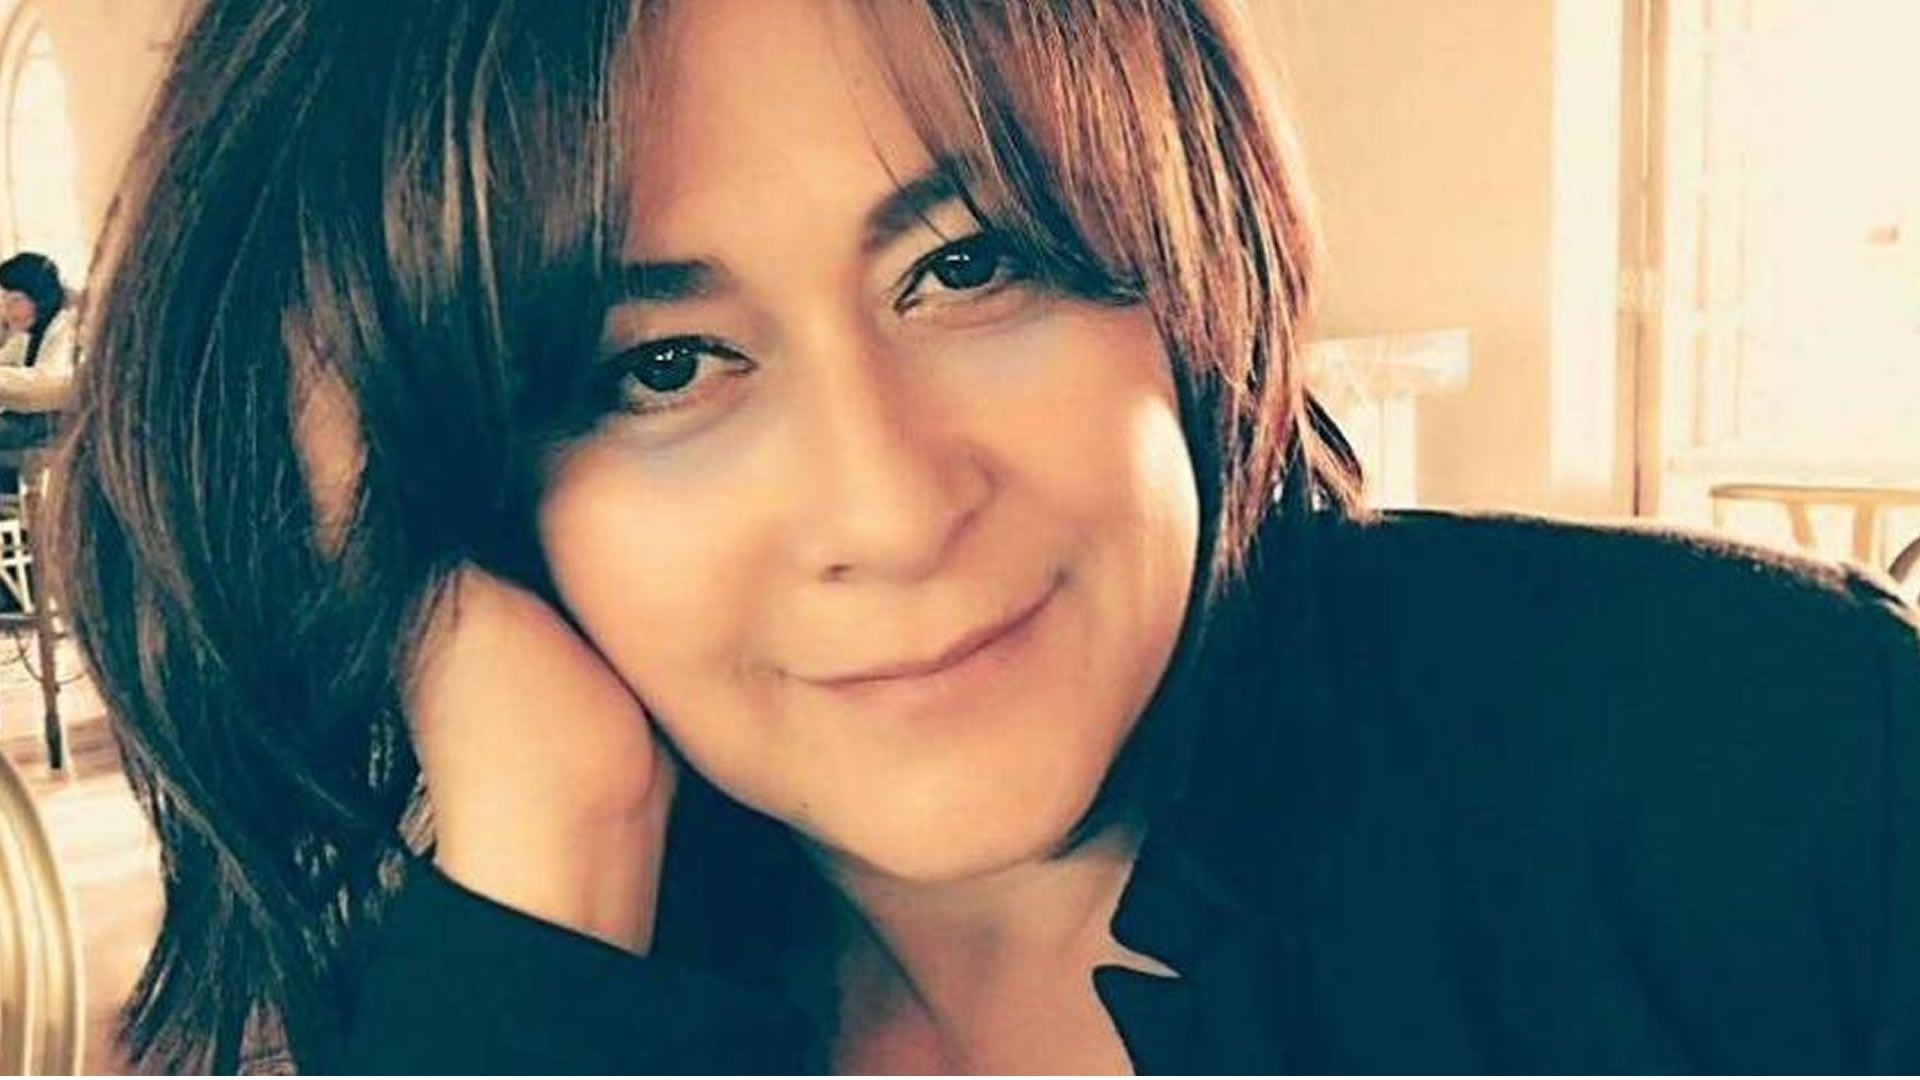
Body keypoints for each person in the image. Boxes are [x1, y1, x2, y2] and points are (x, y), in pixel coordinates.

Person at [52, 0, 1920, 1074]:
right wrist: (554, 863)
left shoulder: (1774, 757)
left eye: (970, 264)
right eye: (662, 366)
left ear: (1179, 240)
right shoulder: (477, 982)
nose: (890, 505)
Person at [0, 251, 76, 449]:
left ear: (40, 299)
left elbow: (48, 386)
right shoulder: (28, 331)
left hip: (54, 425)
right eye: (5, 300)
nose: (7, 310)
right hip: (27, 423)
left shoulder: (67, 328)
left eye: (15, 300)